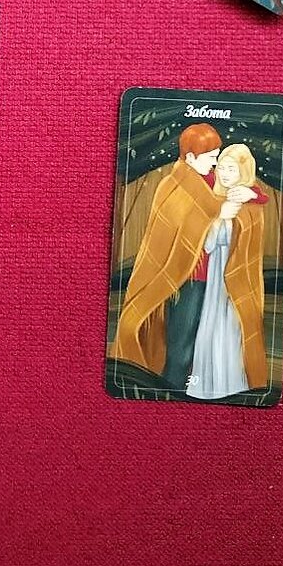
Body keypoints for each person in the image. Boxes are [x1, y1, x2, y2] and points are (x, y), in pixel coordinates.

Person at [111, 123, 263, 389]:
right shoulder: (172, 186)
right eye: (211, 157)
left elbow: (245, 189)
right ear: (191, 157)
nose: (215, 163)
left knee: (204, 345)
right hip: (185, 279)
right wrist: (218, 215)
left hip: (215, 280)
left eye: (217, 156)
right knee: (181, 347)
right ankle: (172, 393)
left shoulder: (211, 180)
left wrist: (253, 194)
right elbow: (177, 234)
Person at [188, 144, 269, 399]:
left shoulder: (251, 204)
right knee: (210, 331)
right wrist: (220, 218)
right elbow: (208, 244)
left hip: (238, 282)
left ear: (243, 170)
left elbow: (246, 242)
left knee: (231, 335)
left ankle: (231, 387)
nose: (223, 173)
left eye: (231, 169)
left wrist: (243, 203)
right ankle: (204, 388)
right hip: (216, 282)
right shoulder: (218, 201)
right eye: (221, 167)